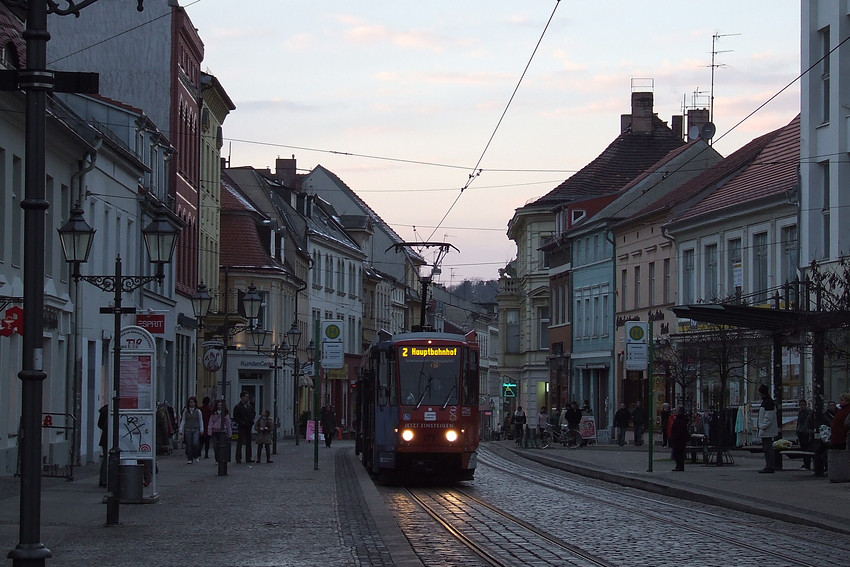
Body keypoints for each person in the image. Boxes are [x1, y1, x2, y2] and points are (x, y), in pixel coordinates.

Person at [757, 384, 778, 473]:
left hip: (766, 429)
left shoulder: (767, 402)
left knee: (768, 448)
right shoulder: (768, 401)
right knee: (767, 448)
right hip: (766, 429)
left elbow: (768, 417)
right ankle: (769, 465)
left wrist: (762, 426)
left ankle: (770, 466)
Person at [179, 396, 204, 464]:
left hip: (196, 429)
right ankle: (190, 458)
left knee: (195, 443)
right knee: (189, 444)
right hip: (188, 429)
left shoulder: (198, 411)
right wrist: (180, 429)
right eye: (191, 402)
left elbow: (200, 420)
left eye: (193, 402)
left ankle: (196, 456)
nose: (192, 404)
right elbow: (183, 420)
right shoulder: (186, 411)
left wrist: (202, 429)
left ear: (195, 403)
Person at [233, 391, 256, 463]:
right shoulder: (238, 407)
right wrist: (241, 422)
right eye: (246, 397)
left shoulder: (249, 407)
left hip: (248, 426)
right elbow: (236, 417)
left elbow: (253, 413)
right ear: (242, 397)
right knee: (240, 442)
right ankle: (238, 458)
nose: (247, 398)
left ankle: (248, 457)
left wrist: (251, 421)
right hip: (241, 427)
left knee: (249, 442)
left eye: (248, 397)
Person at [669, 405, 690, 471]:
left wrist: (675, 437)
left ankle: (680, 466)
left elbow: (680, 430)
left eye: (676, 410)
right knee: (677, 453)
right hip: (678, 438)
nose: (675, 411)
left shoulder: (680, 419)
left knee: (679, 453)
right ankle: (678, 466)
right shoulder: (678, 418)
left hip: (679, 439)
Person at [795, 399, 814, 470]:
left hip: (805, 432)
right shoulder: (801, 412)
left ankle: (807, 464)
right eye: (801, 405)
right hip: (801, 431)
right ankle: (806, 464)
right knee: (804, 449)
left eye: (803, 405)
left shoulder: (808, 412)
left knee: (806, 449)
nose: (802, 406)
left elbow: (806, 423)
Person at [97, 404, 108, 487]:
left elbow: (100, 424)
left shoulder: (105, 409)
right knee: (107, 459)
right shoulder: (109, 410)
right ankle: (105, 479)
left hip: (105, 438)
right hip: (109, 438)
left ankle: (103, 478)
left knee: (106, 459)